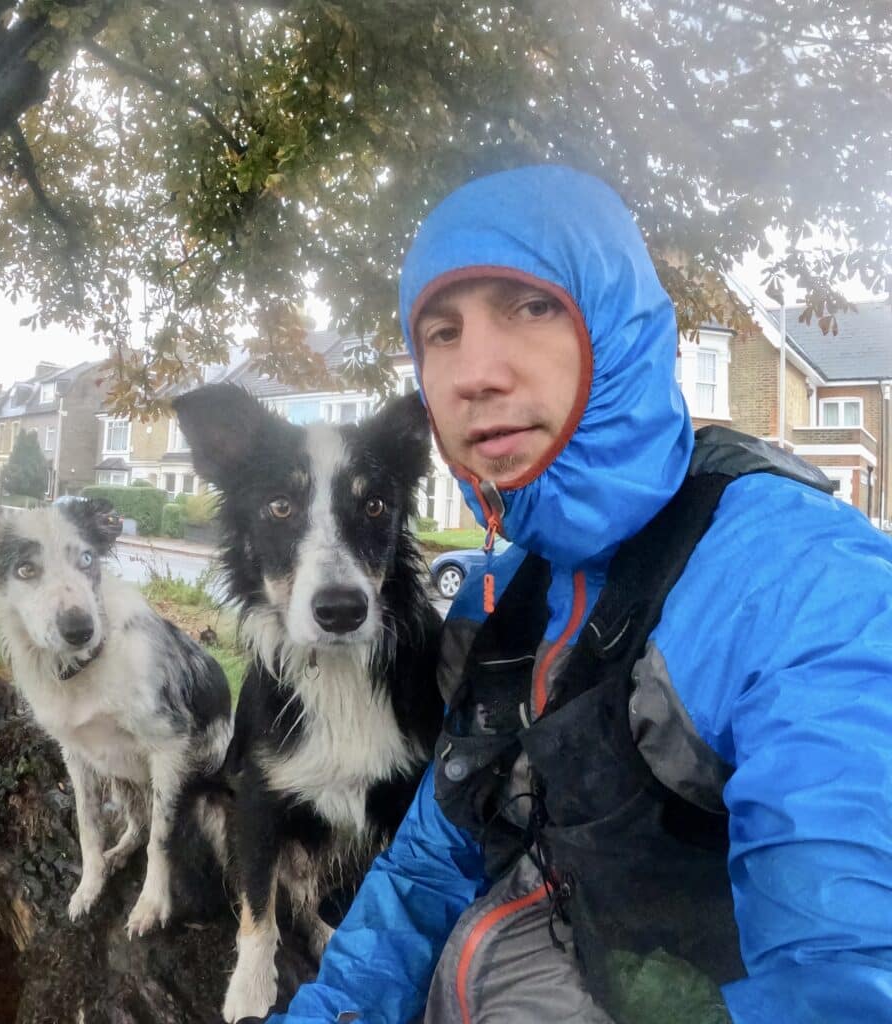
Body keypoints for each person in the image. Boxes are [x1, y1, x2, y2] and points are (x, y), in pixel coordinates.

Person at [264, 166, 892, 1024]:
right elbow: (427, 871)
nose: (474, 372)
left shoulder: (800, 580)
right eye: (441, 333)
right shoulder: (513, 591)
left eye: (530, 306)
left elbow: (846, 970)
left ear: (618, 323)